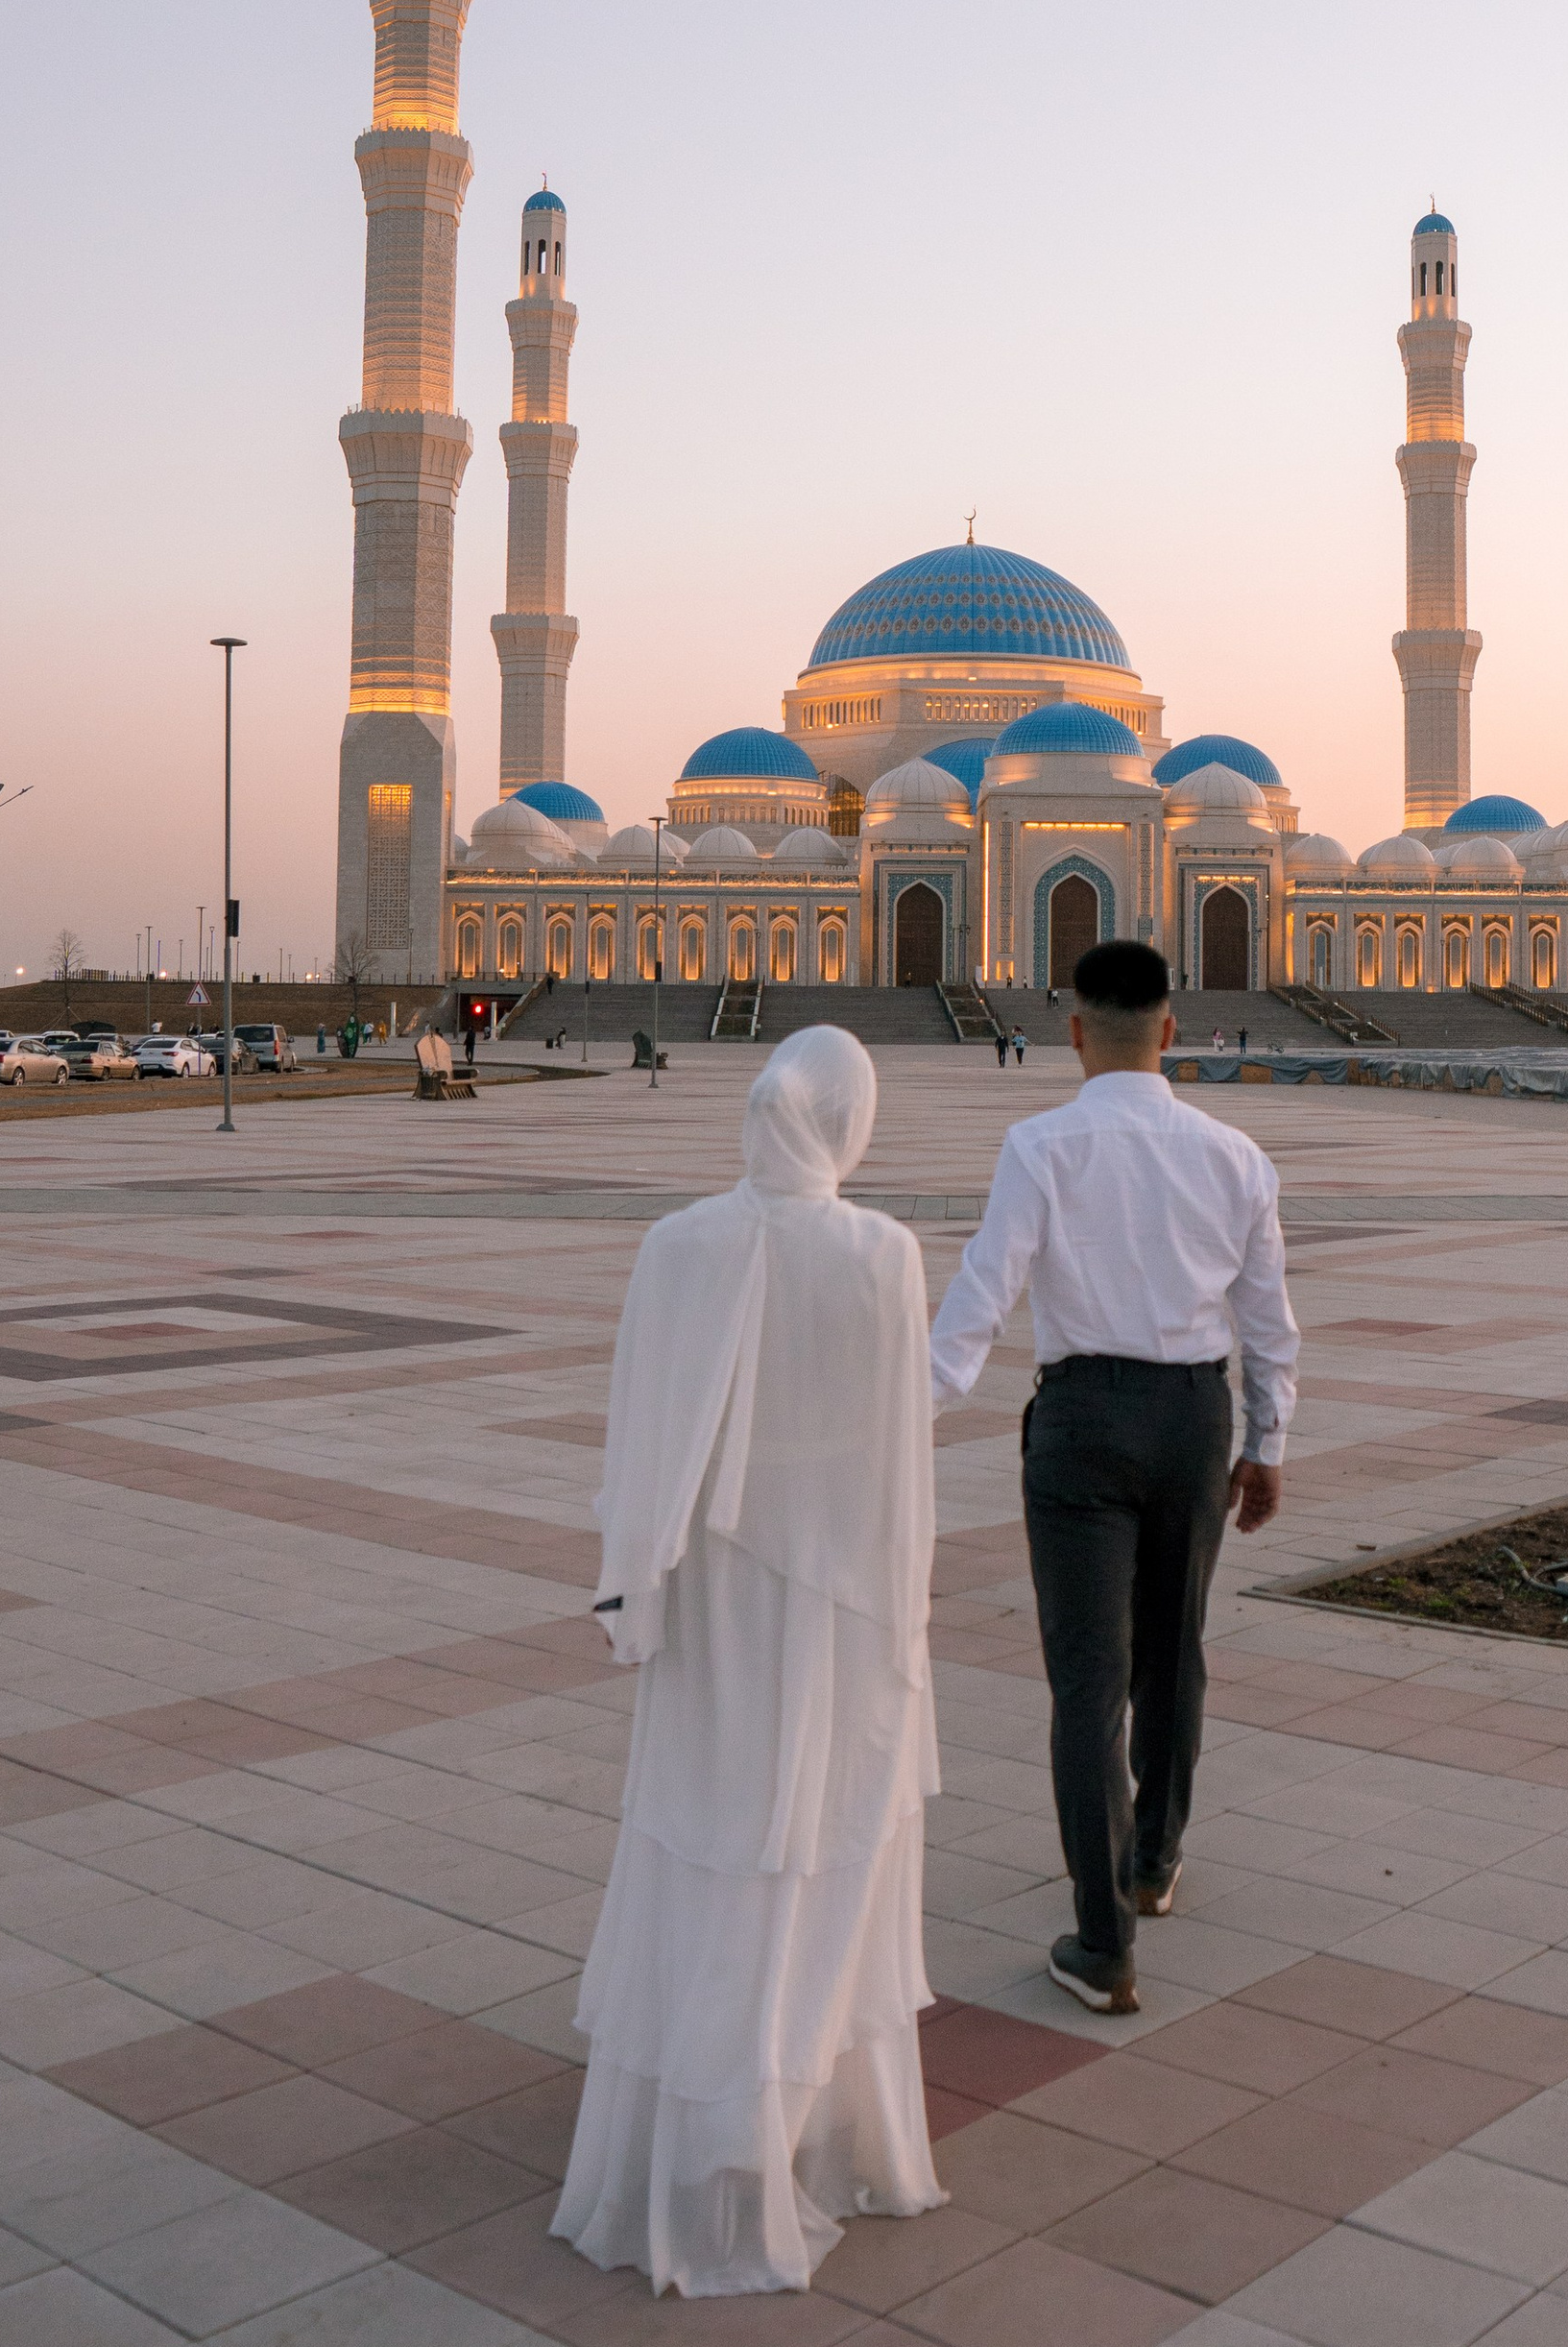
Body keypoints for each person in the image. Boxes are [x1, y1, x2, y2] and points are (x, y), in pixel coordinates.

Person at [554, 1028, 943, 2296]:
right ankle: (777, 2116)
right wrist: (905, 1629)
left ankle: (717, 2113)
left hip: (708, 1600)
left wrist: (632, 1583)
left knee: (714, 1830)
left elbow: (639, 1430)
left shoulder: (678, 1247)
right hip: (834, 1613)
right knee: (812, 1845)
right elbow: (898, 1472)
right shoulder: (882, 1256)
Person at [930, 940, 1298, 2017]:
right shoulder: (1234, 1155)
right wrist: (1265, 1443)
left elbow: (981, 1293)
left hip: (1082, 1420)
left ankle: (1102, 1942)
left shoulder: (1041, 1145)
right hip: (1192, 1418)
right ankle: (1154, 1858)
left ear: (1075, 1029)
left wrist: (908, 1409)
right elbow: (1266, 1320)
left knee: (1087, 1677)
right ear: (1171, 1030)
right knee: (1170, 1651)